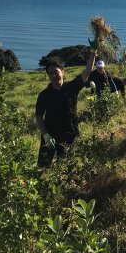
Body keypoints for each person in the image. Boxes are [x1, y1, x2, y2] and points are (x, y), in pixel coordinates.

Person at [35, 39, 97, 167]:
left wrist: (93, 52)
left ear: (62, 71)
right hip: (50, 136)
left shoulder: (72, 87)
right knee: (42, 167)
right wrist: (45, 135)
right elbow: (39, 116)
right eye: (50, 73)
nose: (53, 75)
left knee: (67, 167)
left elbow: (87, 71)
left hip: (69, 135)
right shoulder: (44, 95)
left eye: (56, 72)